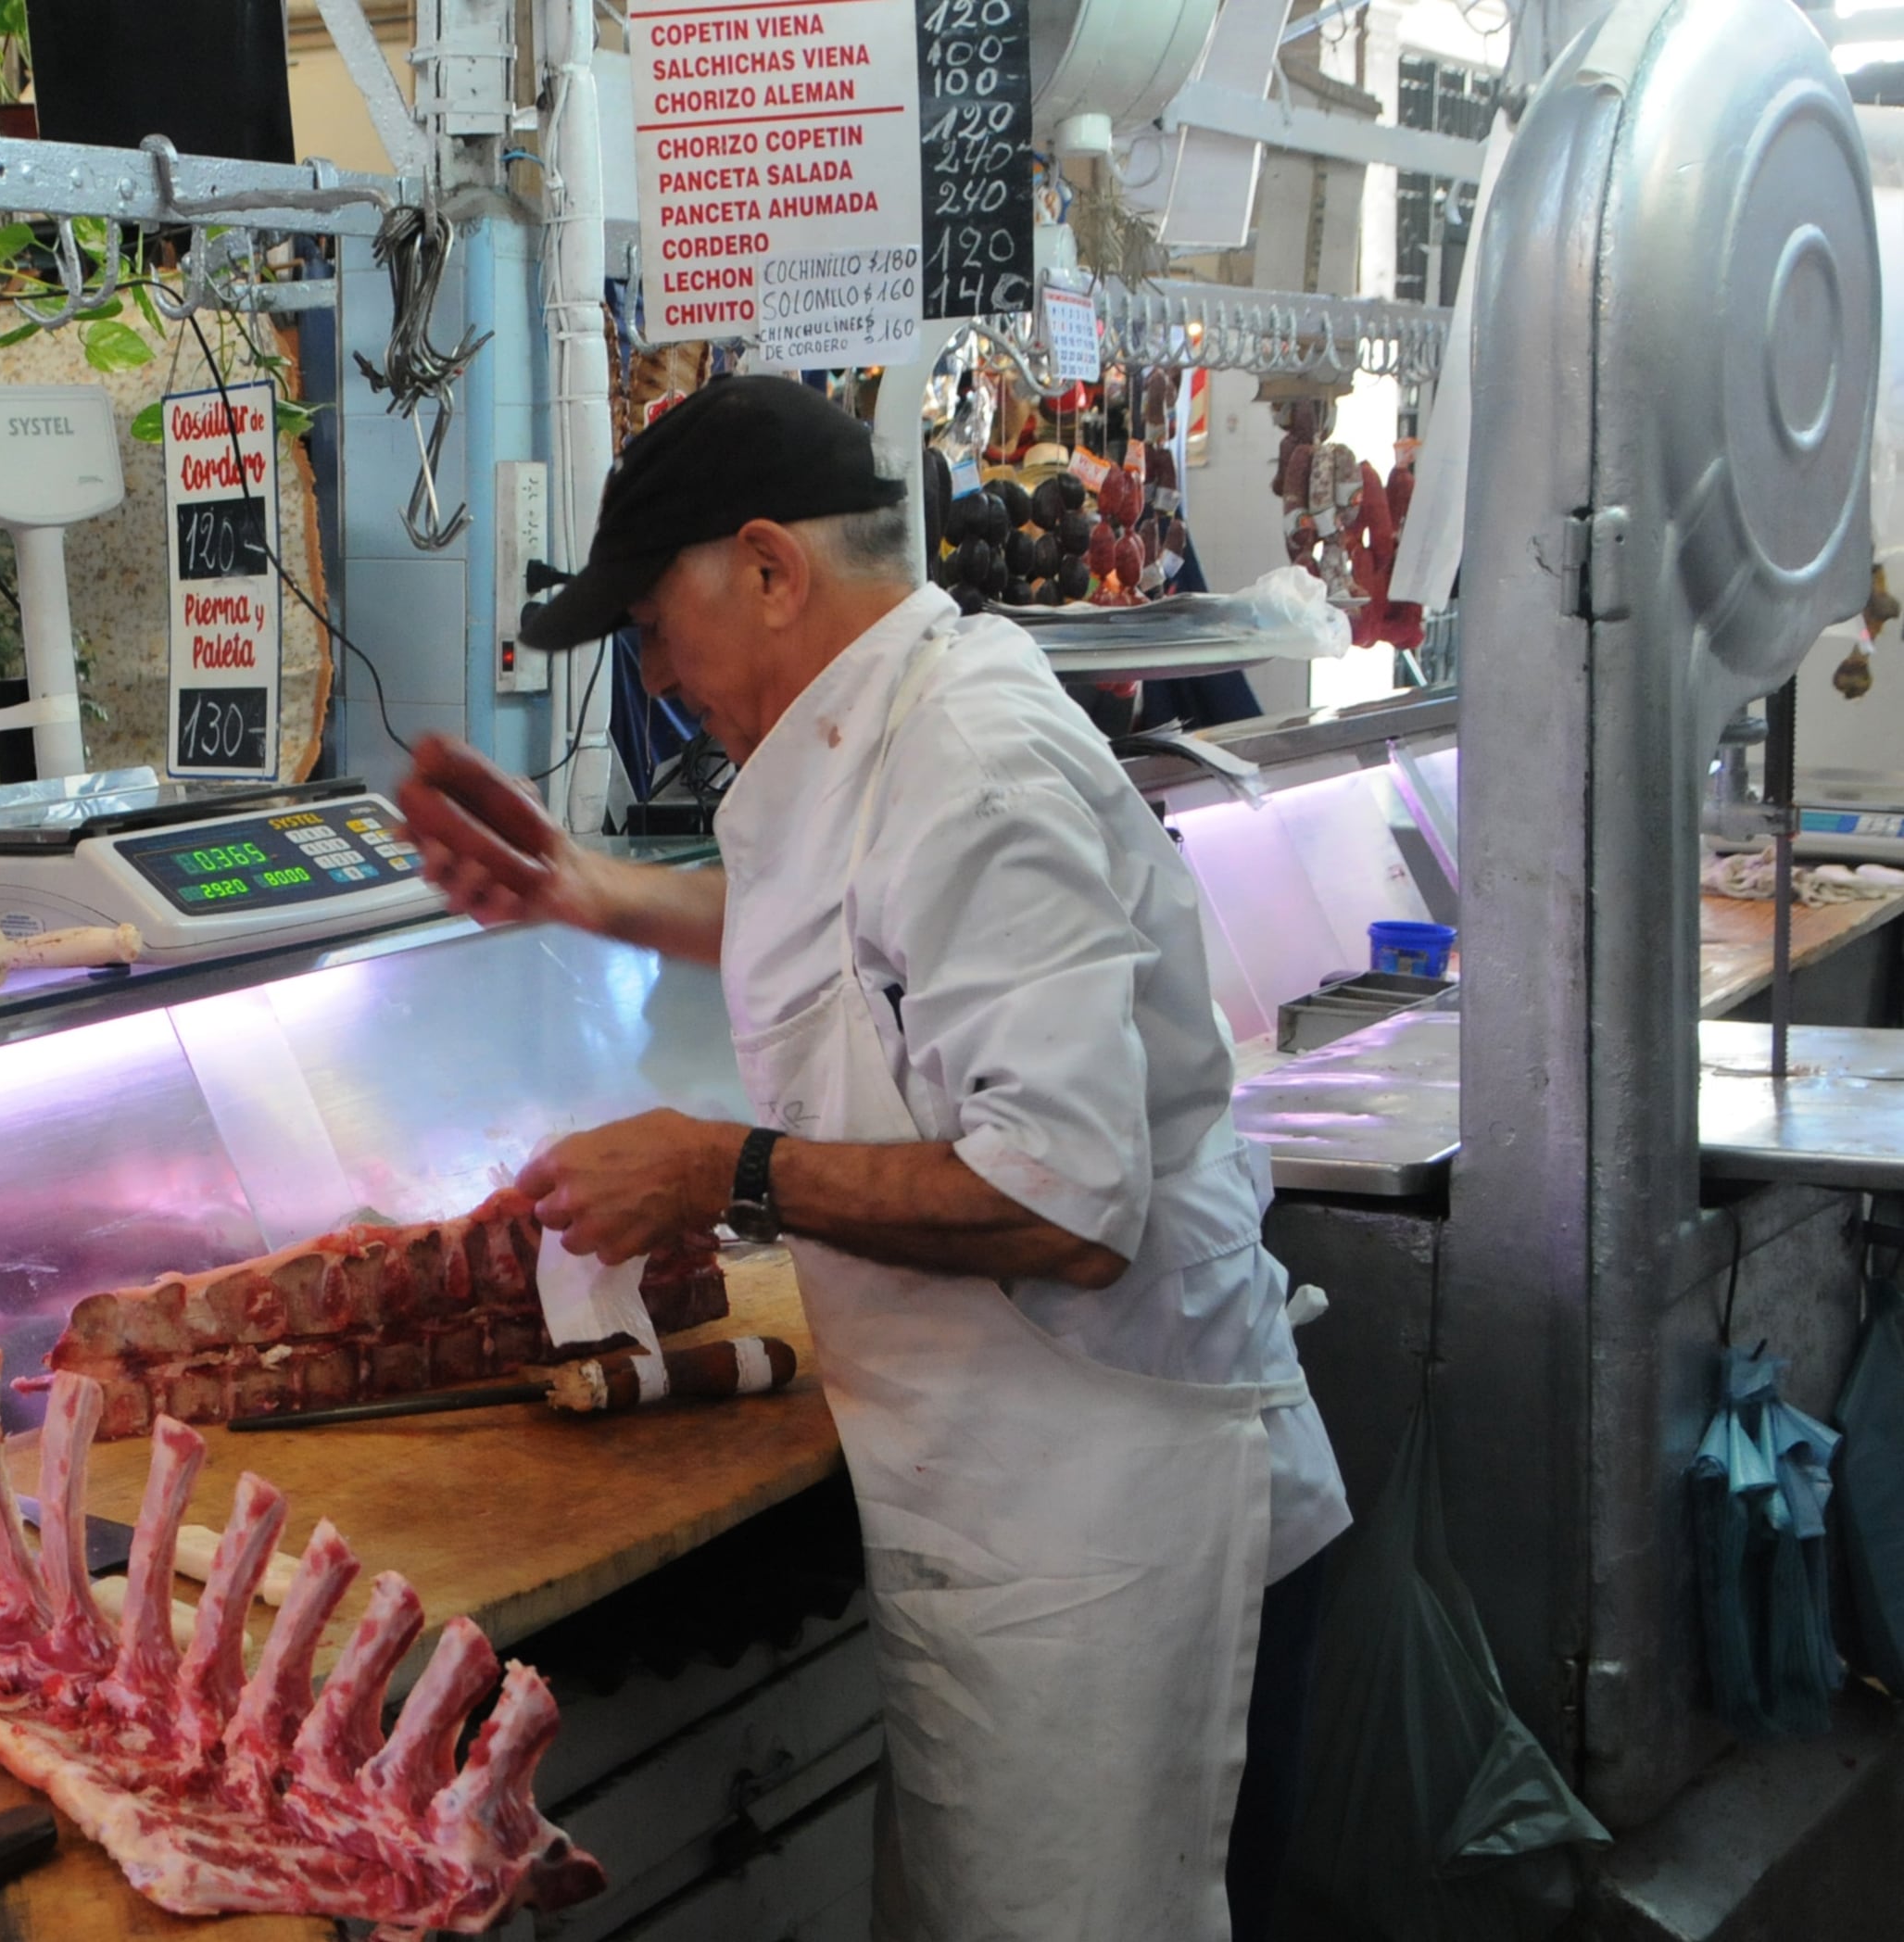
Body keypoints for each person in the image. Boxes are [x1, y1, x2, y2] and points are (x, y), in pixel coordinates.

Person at [397, 376, 1350, 1942]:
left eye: (650, 623)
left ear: (767, 569)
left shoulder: (966, 757)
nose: (651, 670)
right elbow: (868, 944)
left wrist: (717, 1170)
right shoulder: (888, 729)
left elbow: (1064, 1199)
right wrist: (594, 891)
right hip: (1012, 1499)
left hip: (1115, 1516)